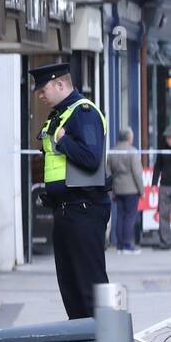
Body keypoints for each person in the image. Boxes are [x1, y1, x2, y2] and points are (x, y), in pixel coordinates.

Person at [31, 62, 110, 318]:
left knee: (90, 287)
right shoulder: (59, 115)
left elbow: (91, 157)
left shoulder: (83, 112)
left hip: (84, 210)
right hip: (65, 212)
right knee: (71, 288)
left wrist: (63, 140)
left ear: (60, 84)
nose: (40, 95)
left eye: (43, 90)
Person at [109, 127, 143, 255]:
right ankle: (128, 245)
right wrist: (142, 190)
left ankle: (120, 245)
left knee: (120, 216)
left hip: (118, 188)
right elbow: (137, 174)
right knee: (130, 217)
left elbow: (109, 170)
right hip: (131, 189)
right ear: (129, 138)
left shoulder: (112, 151)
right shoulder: (132, 151)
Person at [153, 126, 171, 251]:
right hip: (164, 185)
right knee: (163, 214)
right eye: (167, 138)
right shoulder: (162, 149)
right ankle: (165, 241)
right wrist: (154, 183)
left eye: (170, 138)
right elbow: (157, 166)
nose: (168, 140)